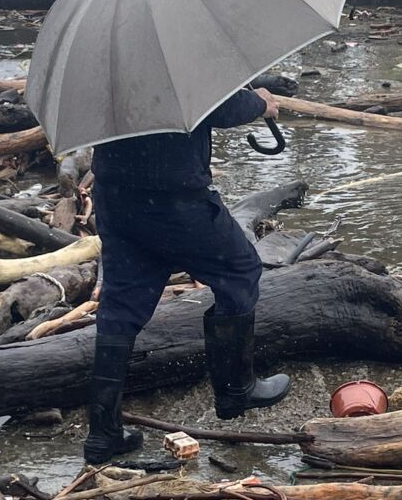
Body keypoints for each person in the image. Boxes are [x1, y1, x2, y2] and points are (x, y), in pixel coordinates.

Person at [82, 86, 291, 465]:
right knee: (239, 270)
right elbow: (218, 104)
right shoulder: (171, 54)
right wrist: (260, 102)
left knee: (121, 305)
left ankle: (103, 432)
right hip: (174, 197)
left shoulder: (105, 65)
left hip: (116, 196)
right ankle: (236, 390)